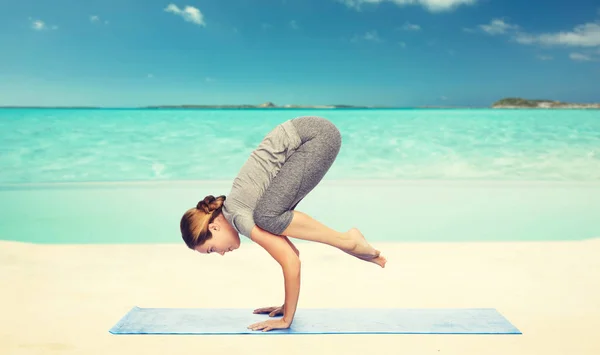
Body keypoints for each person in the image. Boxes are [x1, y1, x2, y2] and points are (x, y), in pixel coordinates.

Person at [180, 116, 386, 332]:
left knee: (267, 217)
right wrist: (286, 305)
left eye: (212, 249)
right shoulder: (238, 210)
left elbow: (290, 262)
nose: (221, 253)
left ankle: (348, 241)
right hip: (313, 134)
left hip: (313, 137)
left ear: (214, 227)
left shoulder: (239, 217)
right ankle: (348, 241)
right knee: (269, 217)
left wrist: (287, 319)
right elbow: (292, 253)